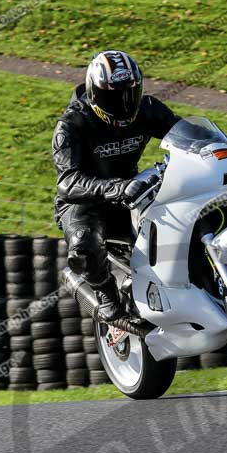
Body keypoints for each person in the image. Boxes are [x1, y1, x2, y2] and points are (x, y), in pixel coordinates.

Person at [52, 50, 180, 320]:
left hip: (130, 193)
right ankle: (105, 292)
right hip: (83, 203)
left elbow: (183, 134)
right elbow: (68, 182)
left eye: (129, 94)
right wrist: (116, 187)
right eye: (113, 97)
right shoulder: (72, 125)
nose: (123, 104)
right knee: (84, 242)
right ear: (95, 93)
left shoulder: (147, 109)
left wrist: (212, 146)